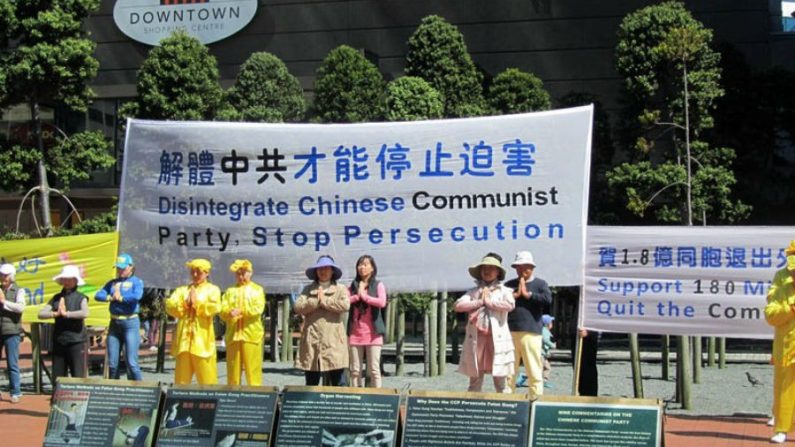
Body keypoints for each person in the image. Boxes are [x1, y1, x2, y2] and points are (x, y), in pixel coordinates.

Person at [455, 253, 515, 393]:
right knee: (475, 379)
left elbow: (509, 305)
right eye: (484, 269)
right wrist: (479, 302)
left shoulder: (504, 291)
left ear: (498, 272)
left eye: (491, 268)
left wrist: (489, 302)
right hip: (478, 338)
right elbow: (458, 306)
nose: (487, 272)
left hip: (497, 338)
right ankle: (473, 409)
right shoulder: (474, 292)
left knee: (501, 380)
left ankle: (506, 409)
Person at [294, 255, 350, 386]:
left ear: (332, 271)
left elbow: (345, 305)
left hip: (334, 340)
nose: (323, 271)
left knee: (339, 381)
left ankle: (340, 406)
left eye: (326, 268)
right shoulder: (308, 289)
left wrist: (324, 301)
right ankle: (313, 406)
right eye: (320, 268)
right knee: (311, 380)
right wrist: (315, 301)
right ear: (316, 271)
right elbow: (297, 307)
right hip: (312, 339)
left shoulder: (341, 289)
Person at [166, 259, 221, 385]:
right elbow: (170, 306)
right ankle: (179, 403)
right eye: (193, 272)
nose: (195, 275)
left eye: (199, 272)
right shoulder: (182, 290)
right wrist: (185, 303)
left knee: (207, 380)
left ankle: (209, 402)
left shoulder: (213, 289)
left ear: (207, 273)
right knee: (181, 381)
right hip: (184, 344)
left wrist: (197, 304)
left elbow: (215, 307)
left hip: (203, 343)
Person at [505, 250, 552, 397]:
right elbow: (499, 300)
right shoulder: (508, 285)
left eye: (525, 266)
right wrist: (513, 296)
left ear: (532, 267)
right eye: (519, 266)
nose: (522, 269)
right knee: (508, 370)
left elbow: (547, 300)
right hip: (509, 331)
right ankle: (506, 400)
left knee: (533, 368)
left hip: (532, 332)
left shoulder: (540, 284)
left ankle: (536, 400)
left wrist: (529, 295)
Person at [95, 253, 145, 380]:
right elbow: (98, 295)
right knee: (112, 364)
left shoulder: (136, 282)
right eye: (118, 268)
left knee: (131, 362)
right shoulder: (112, 283)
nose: (120, 271)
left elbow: (136, 297)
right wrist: (110, 297)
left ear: (130, 267)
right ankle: (114, 393)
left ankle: (140, 391)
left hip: (130, 323)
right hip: (114, 324)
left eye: (123, 268)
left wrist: (121, 298)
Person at [764, 240, 795, 444]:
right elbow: (770, 314)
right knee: (784, 389)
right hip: (787, 345)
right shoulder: (780, 277)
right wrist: (790, 309)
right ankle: (782, 428)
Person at [39, 265, 89, 383]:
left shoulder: (81, 298)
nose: (66, 282)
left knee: (78, 373)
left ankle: (79, 399)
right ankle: (58, 398)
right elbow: (41, 314)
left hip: (76, 341)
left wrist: (67, 314)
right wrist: (55, 314)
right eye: (64, 279)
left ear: (75, 280)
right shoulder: (56, 298)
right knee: (58, 375)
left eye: (69, 279)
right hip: (59, 341)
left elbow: (85, 313)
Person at [220, 259, 265, 386]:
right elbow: (222, 310)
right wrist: (229, 313)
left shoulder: (257, 290)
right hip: (233, 336)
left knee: (253, 370)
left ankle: (256, 397)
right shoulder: (230, 291)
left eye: (243, 273)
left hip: (251, 336)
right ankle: (233, 397)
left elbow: (258, 308)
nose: (241, 276)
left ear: (250, 273)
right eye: (238, 274)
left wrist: (241, 311)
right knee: (233, 371)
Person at [347, 255, 387, 388]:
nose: (362, 267)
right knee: (354, 370)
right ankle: (356, 399)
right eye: (359, 265)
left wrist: (365, 297)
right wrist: (357, 296)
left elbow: (382, 302)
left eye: (365, 264)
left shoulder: (378, 284)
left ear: (372, 268)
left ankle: (378, 399)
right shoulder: (353, 285)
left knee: (374, 370)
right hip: (355, 333)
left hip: (373, 334)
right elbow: (345, 302)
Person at [0, 263, 26, 402]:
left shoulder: (18, 290)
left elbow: (20, 307)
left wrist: (4, 302)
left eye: (5, 275)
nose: (3, 277)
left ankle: (15, 392)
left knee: (12, 363)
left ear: (11, 276)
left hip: (12, 331)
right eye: (1, 274)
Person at [541, 314, 556, 388]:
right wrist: (552, 345)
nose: (552, 324)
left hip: (543, 354)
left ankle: (544, 381)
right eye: (551, 322)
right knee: (539, 368)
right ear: (548, 324)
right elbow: (545, 340)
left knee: (546, 368)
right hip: (541, 354)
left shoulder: (543, 330)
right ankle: (524, 376)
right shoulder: (545, 331)